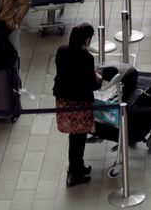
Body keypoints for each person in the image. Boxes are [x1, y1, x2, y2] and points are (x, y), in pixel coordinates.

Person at [53, 23, 101, 187]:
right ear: (86, 39)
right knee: (78, 138)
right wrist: (98, 80)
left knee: (74, 137)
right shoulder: (87, 58)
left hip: (63, 102)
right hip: (79, 104)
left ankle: (78, 166)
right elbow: (92, 85)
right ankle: (75, 172)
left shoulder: (62, 50)